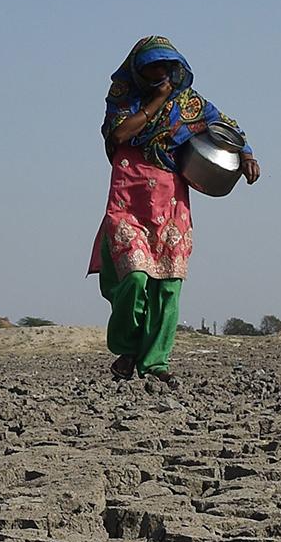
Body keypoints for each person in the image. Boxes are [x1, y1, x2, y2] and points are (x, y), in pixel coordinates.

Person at [89, 36, 260, 384]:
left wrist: (247, 155)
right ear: (138, 69)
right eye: (151, 67)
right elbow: (121, 134)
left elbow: (229, 127)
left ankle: (155, 362)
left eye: (165, 67)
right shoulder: (124, 99)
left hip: (170, 198)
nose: (159, 73)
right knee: (133, 277)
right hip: (129, 195)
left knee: (168, 283)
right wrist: (157, 101)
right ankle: (128, 347)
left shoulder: (190, 103)